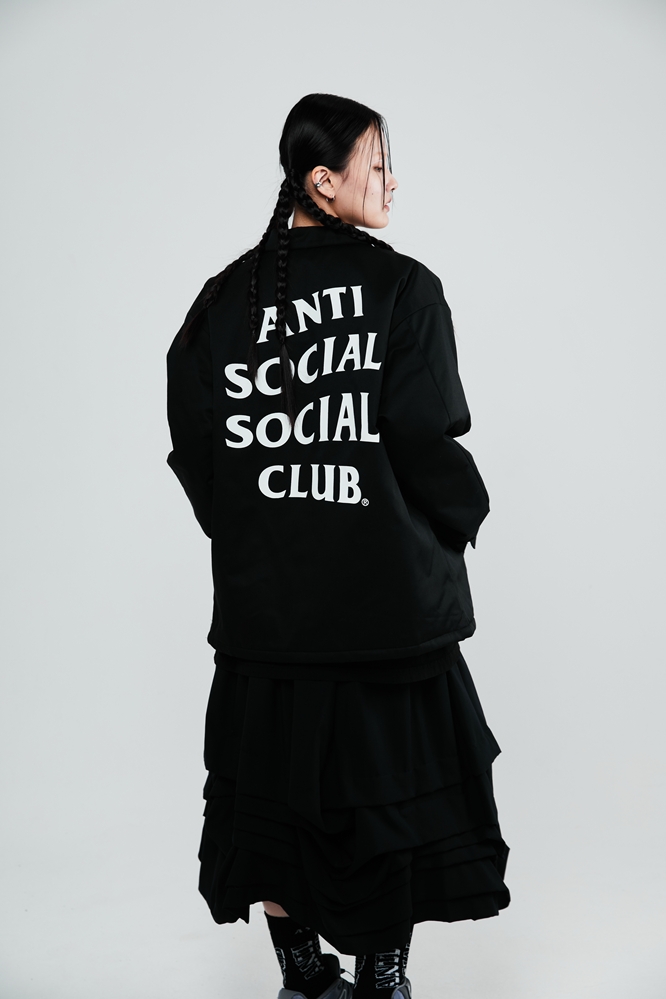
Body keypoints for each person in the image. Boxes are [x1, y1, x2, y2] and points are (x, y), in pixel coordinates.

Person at [166, 92, 510, 999]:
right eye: (377, 164)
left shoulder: (220, 301)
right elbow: (425, 436)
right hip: (385, 616)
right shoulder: (403, 289)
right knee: (387, 799)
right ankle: (381, 981)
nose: (393, 181)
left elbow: (197, 448)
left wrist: (261, 526)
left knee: (271, 798)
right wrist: (465, 512)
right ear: (323, 181)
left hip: (269, 618)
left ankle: (304, 979)